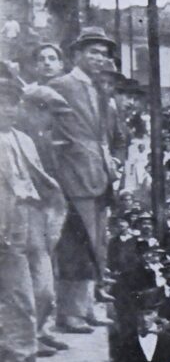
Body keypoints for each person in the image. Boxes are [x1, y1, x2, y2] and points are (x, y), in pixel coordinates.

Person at [49, 26, 119, 333]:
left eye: (103, 54)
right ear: (78, 54)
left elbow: (103, 133)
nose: (99, 58)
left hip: (100, 174)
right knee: (77, 245)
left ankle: (88, 306)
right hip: (74, 174)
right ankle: (70, 313)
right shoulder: (61, 84)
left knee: (97, 244)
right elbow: (46, 126)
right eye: (93, 52)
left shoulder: (97, 88)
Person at [0, 73, 66, 362]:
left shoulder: (24, 140)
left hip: (32, 219)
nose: (7, 109)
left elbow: (41, 182)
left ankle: (17, 355)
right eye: (1, 103)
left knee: (40, 293)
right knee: (19, 296)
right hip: (5, 224)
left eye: (13, 103)